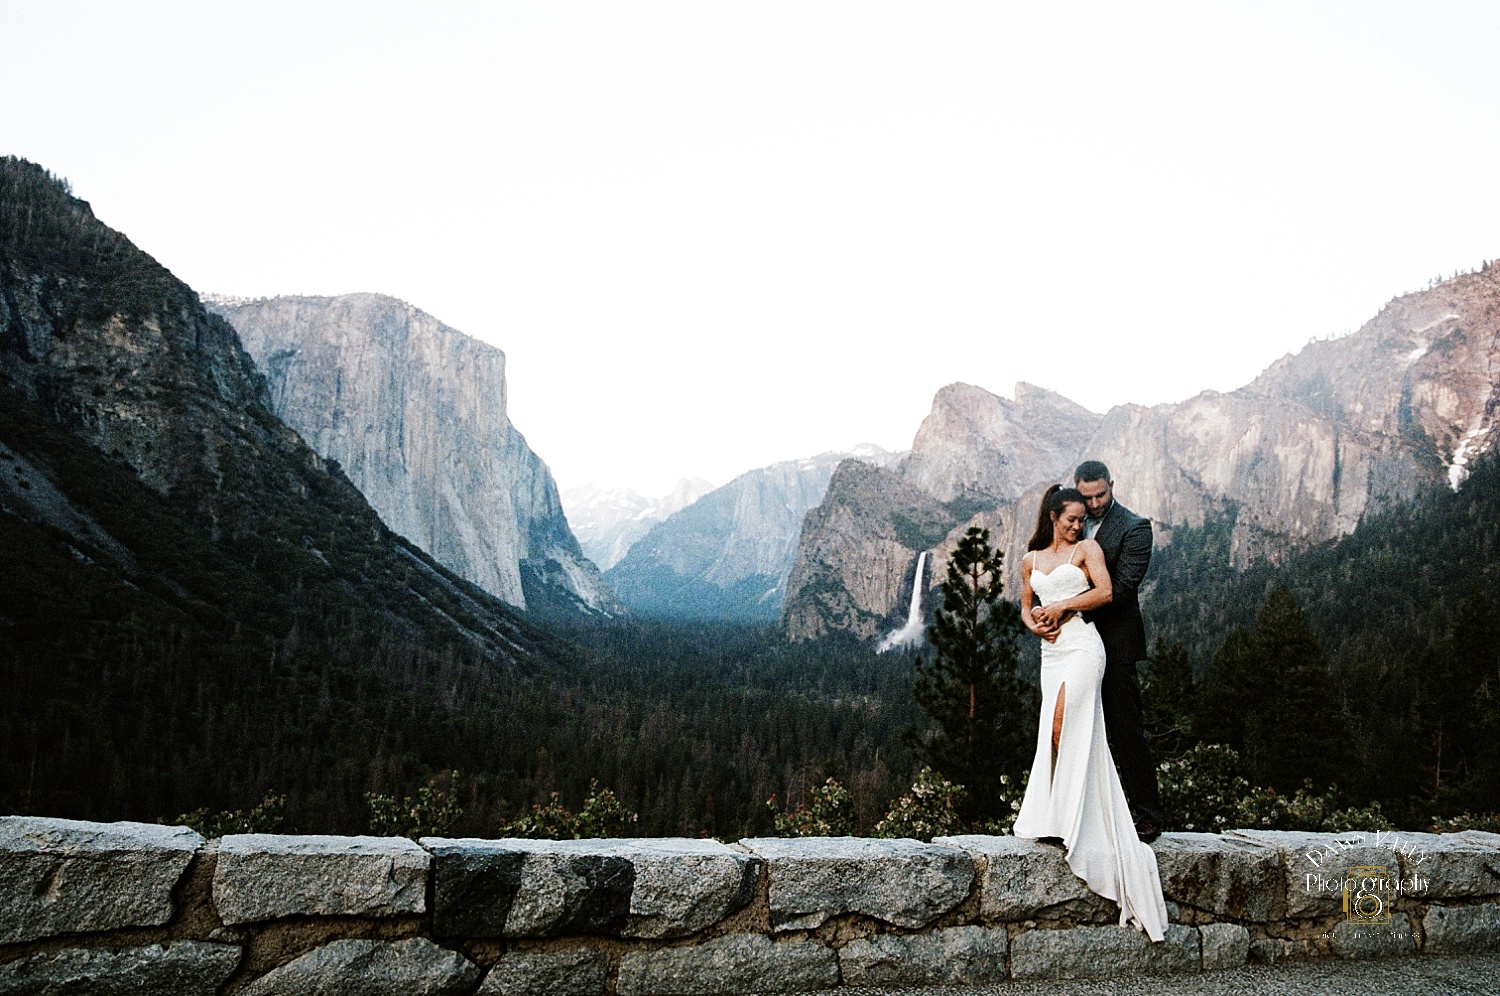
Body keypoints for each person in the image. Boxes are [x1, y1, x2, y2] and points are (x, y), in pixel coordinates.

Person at [1012, 484, 1168, 942]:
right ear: (1053, 516)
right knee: (1054, 731)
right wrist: (1037, 624)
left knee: (1067, 725)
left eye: (1083, 519)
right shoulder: (1031, 559)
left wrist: (1061, 607)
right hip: (1052, 652)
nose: (1080, 525)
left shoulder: (1089, 548)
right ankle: (1054, 817)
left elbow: (1104, 593)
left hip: (1081, 644)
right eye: (1071, 519)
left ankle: (1080, 821)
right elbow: (1024, 606)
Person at [1069, 460, 1164, 843]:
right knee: (1076, 728)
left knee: (1125, 729)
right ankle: (1083, 814)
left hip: (1116, 644)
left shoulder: (1135, 527)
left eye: (1100, 495)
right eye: (1087, 496)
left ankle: (1148, 815)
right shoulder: (1070, 523)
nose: (1093, 504)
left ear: (1112, 484)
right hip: (1075, 642)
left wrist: (1065, 603)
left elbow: (1122, 588)